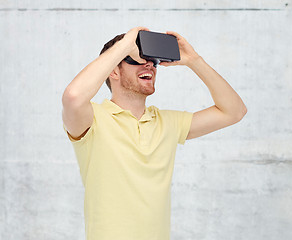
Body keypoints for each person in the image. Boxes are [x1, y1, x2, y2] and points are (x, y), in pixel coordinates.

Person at [62, 26, 247, 240]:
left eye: (152, 60)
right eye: (136, 59)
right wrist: (123, 46)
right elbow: (73, 97)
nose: (149, 64)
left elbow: (234, 111)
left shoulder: (167, 122)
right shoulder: (92, 119)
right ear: (113, 70)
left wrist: (194, 60)